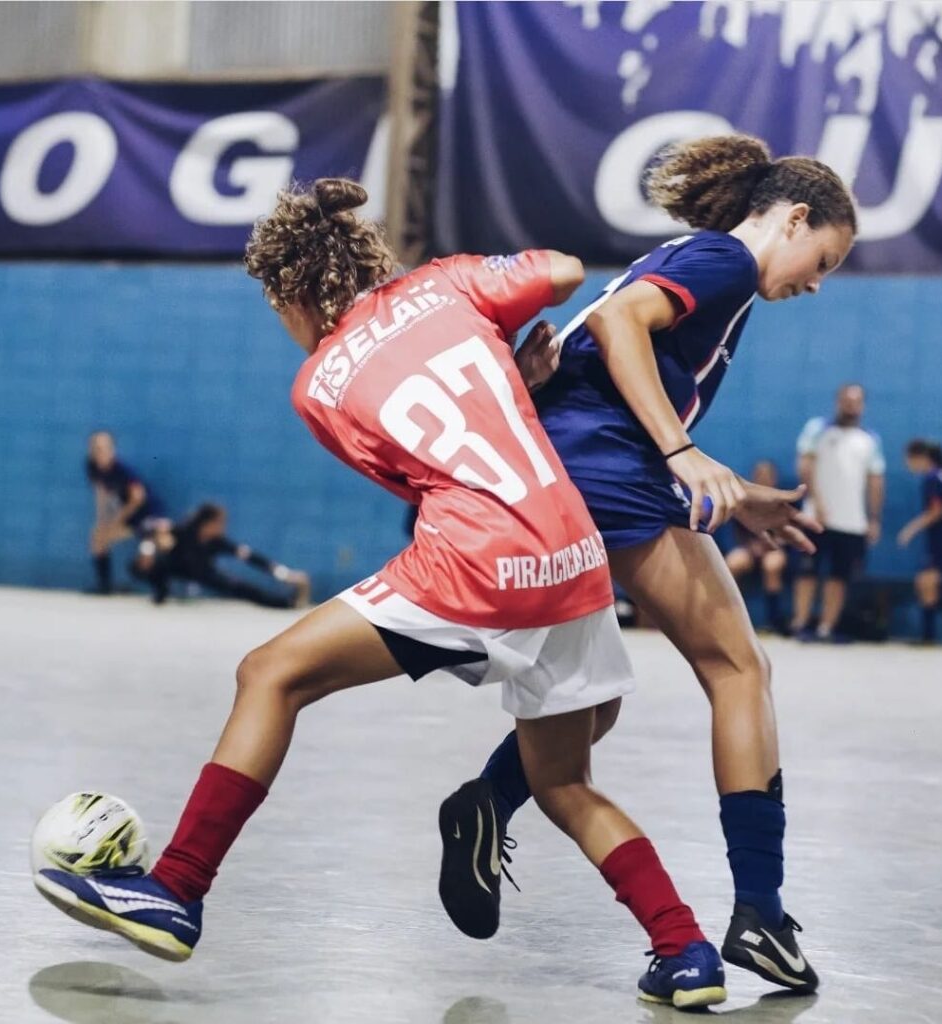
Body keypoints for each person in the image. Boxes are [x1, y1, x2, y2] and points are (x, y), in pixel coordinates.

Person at [35, 179, 731, 1010]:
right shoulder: (448, 283)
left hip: (475, 559)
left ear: (294, 292)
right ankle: (686, 950)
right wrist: (511, 361)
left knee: (272, 674)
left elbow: (419, 476)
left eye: (276, 308)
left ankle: (178, 890)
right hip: (573, 553)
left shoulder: (317, 387)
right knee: (563, 781)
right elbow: (564, 269)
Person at [442, 134, 855, 994]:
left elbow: (595, 366)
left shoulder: (683, 262)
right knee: (739, 668)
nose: (817, 281)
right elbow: (625, 333)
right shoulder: (726, 262)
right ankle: (761, 915)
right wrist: (683, 449)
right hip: (610, 477)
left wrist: (738, 491)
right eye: (824, 259)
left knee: (594, 710)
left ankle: (483, 805)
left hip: (570, 474)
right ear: (794, 217)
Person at [790, 384, 885, 641]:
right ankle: (800, 624)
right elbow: (805, 465)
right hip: (816, 517)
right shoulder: (817, 429)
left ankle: (826, 628)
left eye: (856, 401)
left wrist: (874, 518)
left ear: (863, 405)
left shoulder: (870, 440)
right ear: (838, 401)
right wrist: (816, 501)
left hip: (852, 521)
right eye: (846, 400)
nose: (851, 405)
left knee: (839, 576)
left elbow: (875, 480)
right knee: (807, 571)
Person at [132, 503, 311, 609]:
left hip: (203, 573)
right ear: (207, 523)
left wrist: (284, 573)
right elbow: (147, 527)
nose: (223, 526)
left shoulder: (219, 542)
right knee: (147, 566)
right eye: (220, 523)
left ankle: (286, 603)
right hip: (174, 567)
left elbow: (251, 558)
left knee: (241, 587)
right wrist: (147, 549)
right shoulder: (182, 530)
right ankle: (160, 593)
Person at [85, 430, 168, 594]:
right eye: (95, 447)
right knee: (98, 537)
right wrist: (102, 521)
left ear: (112, 449)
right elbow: (101, 494)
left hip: (149, 514)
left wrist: (118, 520)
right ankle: (105, 586)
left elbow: (138, 498)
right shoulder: (93, 467)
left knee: (160, 545)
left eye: (103, 448)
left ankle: (167, 585)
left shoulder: (123, 469)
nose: (99, 451)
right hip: (130, 517)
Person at [898, 440, 942, 643]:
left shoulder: (933, 478)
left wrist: (910, 529)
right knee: (925, 583)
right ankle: (937, 629)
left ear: (921, 457)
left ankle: (934, 632)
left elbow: (935, 511)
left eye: (909, 460)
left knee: (928, 583)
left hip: (941, 536)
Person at [724, 461, 790, 635]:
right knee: (732, 563)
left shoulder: (783, 501)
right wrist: (752, 547)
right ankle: (730, 617)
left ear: (774, 478)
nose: (764, 478)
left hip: (775, 549)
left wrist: (773, 544)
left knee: (772, 565)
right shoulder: (744, 501)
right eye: (760, 475)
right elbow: (739, 531)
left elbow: (789, 532)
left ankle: (773, 620)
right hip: (750, 549)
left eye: (768, 475)